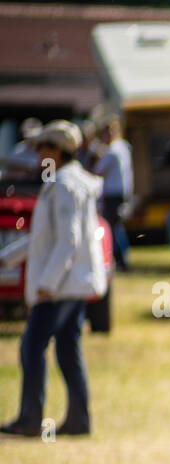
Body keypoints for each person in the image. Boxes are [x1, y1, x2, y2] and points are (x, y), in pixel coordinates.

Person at [0, 121, 106, 438]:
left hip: (61, 286)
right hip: (71, 283)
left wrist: (48, 281)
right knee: (67, 351)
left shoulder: (63, 185)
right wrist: (6, 258)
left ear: (58, 150)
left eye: (43, 146)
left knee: (32, 347)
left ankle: (31, 419)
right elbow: (44, 239)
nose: (38, 153)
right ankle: (79, 420)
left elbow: (67, 241)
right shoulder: (68, 182)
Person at [92, 116, 132, 272]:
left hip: (111, 194)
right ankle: (122, 259)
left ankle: (118, 259)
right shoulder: (123, 147)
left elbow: (98, 171)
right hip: (121, 192)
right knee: (118, 227)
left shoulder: (112, 152)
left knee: (111, 228)